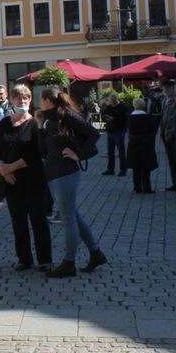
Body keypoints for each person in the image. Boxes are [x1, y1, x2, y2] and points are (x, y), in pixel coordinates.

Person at [37, 87, 106, 278]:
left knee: (68, 219)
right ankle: (96, 253)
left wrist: (79, 155)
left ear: (48, 101)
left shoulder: (66, 116)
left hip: (65, 173)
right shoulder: (50, 119)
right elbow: (43, 149)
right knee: (73, 215)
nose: (39, 102)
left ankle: (69, 263)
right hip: (53, 173)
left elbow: (94, 133)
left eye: (41, 99)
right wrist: (39, 125)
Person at [0, 85, 51, 272]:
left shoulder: (34, 124)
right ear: (13, 100)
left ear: (30, 100)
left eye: (26, 98)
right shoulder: (4, 123)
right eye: (19, 98)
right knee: (18, 222)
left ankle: (45, 260)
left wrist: (11, 167)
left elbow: (36, 153)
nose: (22, 101)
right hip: (11, 182)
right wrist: (4, 169)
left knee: (38, 221)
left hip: (33, 180)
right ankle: (24, 259)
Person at [126, 97, 158, 194]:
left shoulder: (130, 117)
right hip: (146, 144)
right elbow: (152, 130)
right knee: (146, 167)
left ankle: (137, 187)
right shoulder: (147, 117)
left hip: (133, 144)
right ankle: (146, 187)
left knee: (136, 167)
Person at [100, 92, 130, 177]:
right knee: (110, 152)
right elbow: (103, 115)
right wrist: (106, 118)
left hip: (119, 131)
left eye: (114, 102)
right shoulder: (109, 107)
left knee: (121, 152)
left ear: (117, 100)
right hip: (110, 131)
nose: (112, 104)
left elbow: (124, 119)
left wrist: (113, 119)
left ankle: (123, 170)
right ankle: (110, 169)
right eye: (111, 102)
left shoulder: (123, 107)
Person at [159, 80, 176, 191]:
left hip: (174, 133)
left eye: (167, 88)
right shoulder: (164, 99)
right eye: (164, 88)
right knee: (171, 159)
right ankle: (174, 182)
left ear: (172, 88)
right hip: (165, 133)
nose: (165, 90)